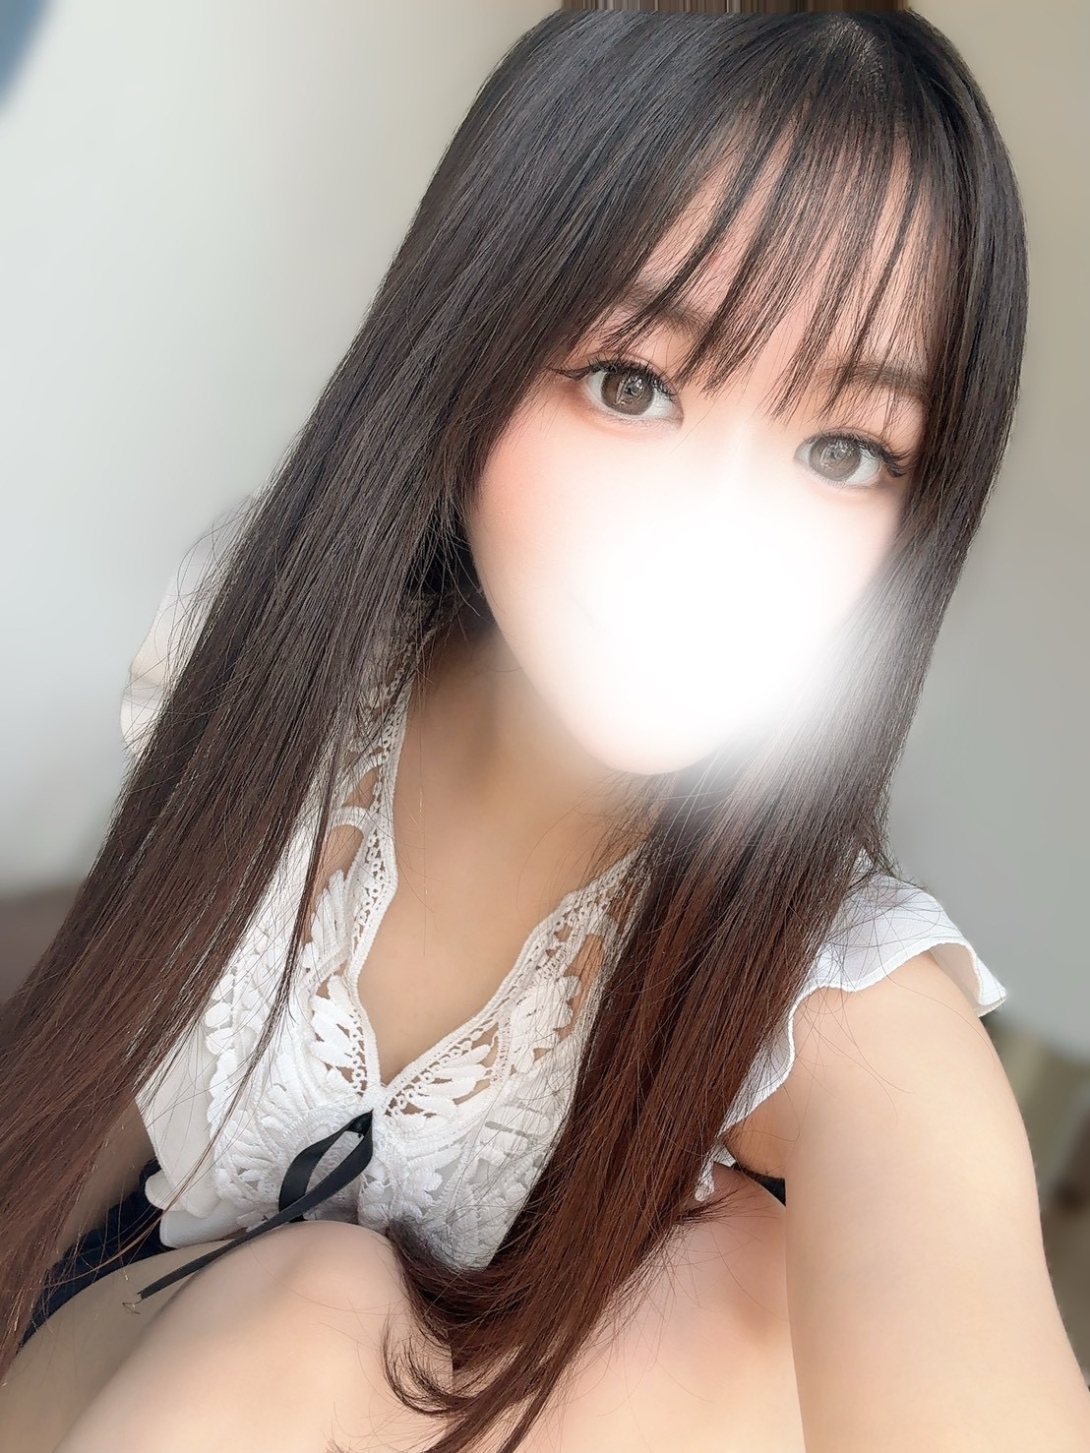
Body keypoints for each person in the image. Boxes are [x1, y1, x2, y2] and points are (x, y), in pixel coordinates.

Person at [1, 8, 1088, 1452]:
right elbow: (94, 1095)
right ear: (470, 343)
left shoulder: (843, 1009)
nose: (717, 541)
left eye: (844, 451)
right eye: (634, 385)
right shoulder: (284, 673)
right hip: (122, 1339)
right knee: (313, 1303)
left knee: (732, 1290)